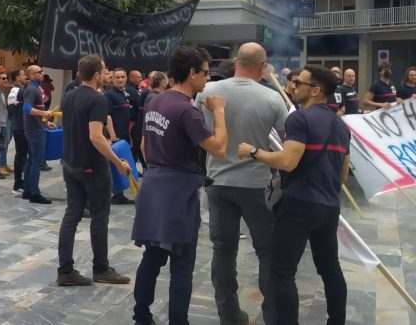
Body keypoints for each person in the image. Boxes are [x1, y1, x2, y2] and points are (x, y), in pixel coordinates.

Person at [236, 65, 350, 325]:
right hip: (329, 207)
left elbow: (288, 162)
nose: (294, 86)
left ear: (316, 91)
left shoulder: (299, 118)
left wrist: (254, 152)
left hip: (299, 205)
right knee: (330, 269)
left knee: (282, 272)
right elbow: (343, 173)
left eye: (300, 83)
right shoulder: (341, 125)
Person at [132, 45, 228, 325]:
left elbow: (145, 145)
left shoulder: (156, 101)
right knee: (182, 266)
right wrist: (219, 113)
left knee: (152, 258)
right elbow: (219, 148)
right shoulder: (187, 110)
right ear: (192, 72)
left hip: (154, 185)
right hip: (178, 193)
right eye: (205, 73)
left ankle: (141, 316)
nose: (207, 79)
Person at [197, 43, 287, 325]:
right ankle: (273, 316)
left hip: (218, 181)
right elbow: (285, 142)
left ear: (236, 61)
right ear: (262, 67)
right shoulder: (272, 98)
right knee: (267, 251)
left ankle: (229, 315)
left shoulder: (207, 92)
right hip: (256, 184)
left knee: (223, 250)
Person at [56, 54, 133, 287]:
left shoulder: (69, 95)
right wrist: (117, 162)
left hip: (71, 164)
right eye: (105, 70)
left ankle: (65, 270)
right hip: (92, 166)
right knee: (99, 218)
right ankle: (101, 268)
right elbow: (96, 136)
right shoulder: (97, 99)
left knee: (71, 215)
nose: (108, 74)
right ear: (97, 74)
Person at [22, 65, 55, 204]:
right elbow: (27, 109)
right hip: (34, 130)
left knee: (31, 160)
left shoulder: (35, 88)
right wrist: (44, 113)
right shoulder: (31, 89)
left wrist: (46, 123)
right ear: (31, 75)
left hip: (36, 127)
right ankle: (34, 193)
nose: (42, 73)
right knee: (36, 161)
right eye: (39, 72)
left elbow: (34, 109)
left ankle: (27, 190)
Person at [104, 68, 136, 205]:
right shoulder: (109, 95)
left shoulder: (124, 93)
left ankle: (119, 194)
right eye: (117, 77)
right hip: (114, 136)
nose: (120, 79)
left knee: (121, 163)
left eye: (122, 77)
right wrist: (112, 136)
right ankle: (115, 195)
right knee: (114, 165)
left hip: (124, 134)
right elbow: (107, 115)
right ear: (112, 79)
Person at [8, 68, 29, 195]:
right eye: (22, 75)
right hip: (20, 127)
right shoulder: (18, 91)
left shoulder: (16, 90)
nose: (25, 76)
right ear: (17, 78)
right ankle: (18, 184)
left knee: (22, 155)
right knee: (21, 156)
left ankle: (21, 183)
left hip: (19, 126)